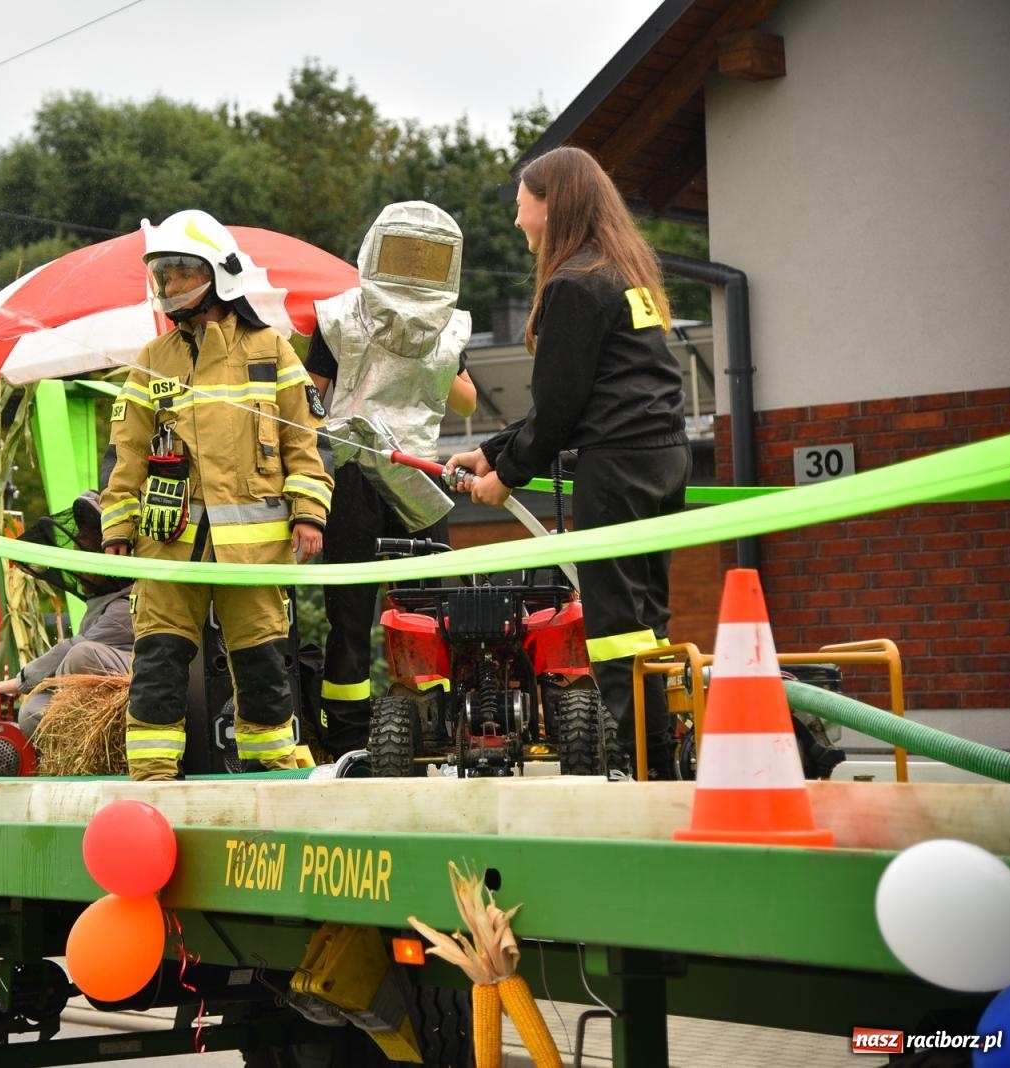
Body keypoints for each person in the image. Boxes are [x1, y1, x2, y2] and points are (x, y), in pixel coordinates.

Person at [445, 146, 689, 778]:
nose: (518, 221)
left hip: (618, 469)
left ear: (552, 202)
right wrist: (494, 451)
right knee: (648, 625)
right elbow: (583, 396)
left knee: (614, 631)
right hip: (662, 460)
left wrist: (506, 477)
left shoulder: (574, 283)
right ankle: (666, 759)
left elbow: (558, 411)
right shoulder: (625, 272)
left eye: (522, 206)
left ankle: (651, 772)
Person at [99, 209, 334, 781]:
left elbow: (306, 441)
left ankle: (270, 776)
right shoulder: (152, 362)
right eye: (163, 275)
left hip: (253, 552)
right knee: (158, 662)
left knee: (261, 668)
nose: (170, 285)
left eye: (180, 272)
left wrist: (310, 514)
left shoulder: (269, 350)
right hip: (168, 545)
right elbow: (126, 453)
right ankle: (152, 782)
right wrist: (116, 531)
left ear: (218, 274)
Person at [307, 201, 478, 758]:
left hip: (370, 474)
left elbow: (309, 398)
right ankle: (411, 727)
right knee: (412, 609)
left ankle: (363, 733)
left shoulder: (336, 317)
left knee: (372, 614)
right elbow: (466, 399)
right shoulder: (441, 326)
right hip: (409, 476)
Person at [0, 491, 134, 738]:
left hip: (137, 678)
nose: (78, 542)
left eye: (87, 538)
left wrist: (21, 682)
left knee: (82, 654)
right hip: (94, 690)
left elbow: (77, 649)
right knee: (32, 711)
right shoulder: (103, 600)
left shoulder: (129, 602)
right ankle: (79, 739)